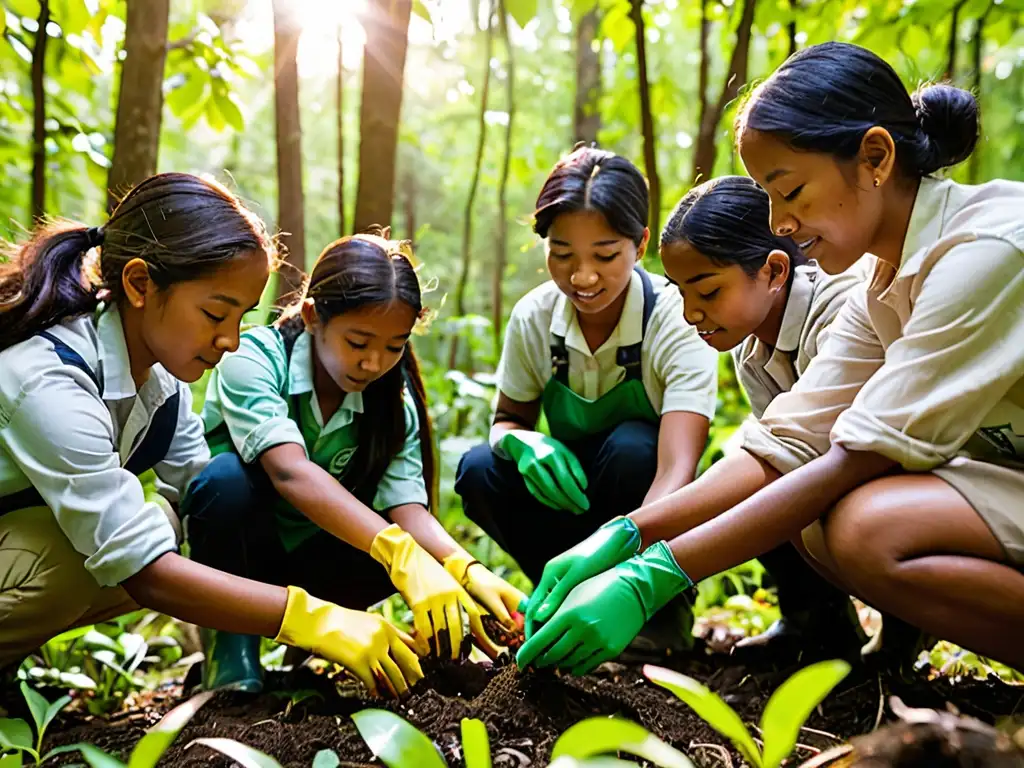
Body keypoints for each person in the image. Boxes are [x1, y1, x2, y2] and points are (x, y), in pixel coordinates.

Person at [517, 42, 1024, 675]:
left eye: (790, 192)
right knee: (824, 526)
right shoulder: (883, 281)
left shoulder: (986, 251)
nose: (779, 222)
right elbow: (787, 442)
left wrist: (652, 578)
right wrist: (625, 536)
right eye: (768, 200)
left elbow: (856, 458)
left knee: (867, 527)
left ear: (874, 157)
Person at [0, 174, 422, 699]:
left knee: (168, 523)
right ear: (139, 284)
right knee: (75, 557)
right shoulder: (49, 377)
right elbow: (144, 571)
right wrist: (313, 619)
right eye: (214, 314)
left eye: (241, 317)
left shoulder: (163, 379)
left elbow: (204, 494)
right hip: (22, 546)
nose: (230, 340)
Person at [186, 230, 525, 693]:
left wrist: (464, 569)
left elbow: (408, 511)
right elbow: (289, 471)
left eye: (393, 346)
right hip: (245, 550)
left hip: (325, 557)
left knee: (406, 538)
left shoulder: (390, 406)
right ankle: (230, 654)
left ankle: (329, 646)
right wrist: (396, 550)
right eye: (359, 342)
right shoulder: (255, 359)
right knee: (223, 481)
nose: (374, 363)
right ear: (312, 317)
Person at [454, 146, 718, 650]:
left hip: (650, 511)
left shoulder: (674, 317)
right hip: (569, 500)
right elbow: (506, 420)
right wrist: (524, 444)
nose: (582, 277)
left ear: (640, 245)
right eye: (562, 254)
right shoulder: (534, 317)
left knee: (632, 447)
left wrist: (621, 566)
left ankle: (658, 614)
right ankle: (558, 592)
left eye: (604, 254)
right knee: (480, 467)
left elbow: (677, 472)